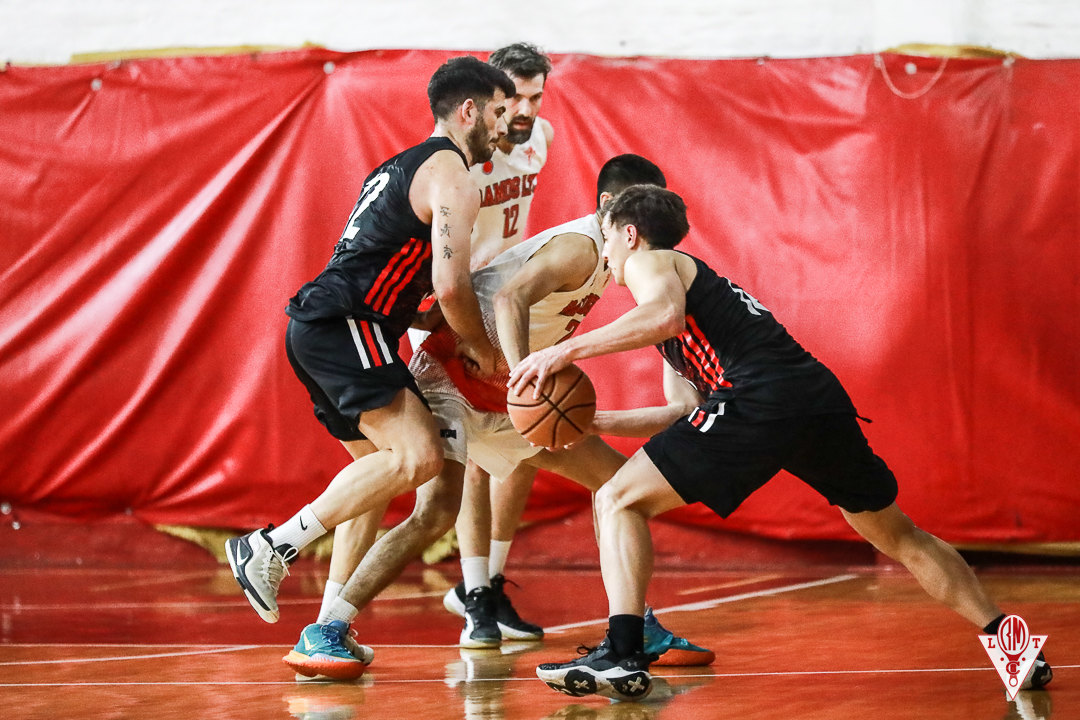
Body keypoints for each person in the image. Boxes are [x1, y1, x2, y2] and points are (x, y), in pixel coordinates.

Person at [510, 185, 1053, 701]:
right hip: (813, 398)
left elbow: (662, 317)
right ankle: (1015, 648)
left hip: (759, 398)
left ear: (629, 235)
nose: (604, 255)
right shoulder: (685, 310)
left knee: (616, 498)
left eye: (605, 239)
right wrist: (595, 420)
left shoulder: (656, 263)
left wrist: (562, 353)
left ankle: (623, 654)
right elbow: (682, 412)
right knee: (899, 534)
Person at [282, 156, 710, 679]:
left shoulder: (620, 259)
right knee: (435, 509)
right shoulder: (582, 247)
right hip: (458, 369)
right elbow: (509, 298)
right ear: (611, 213)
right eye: (640, 221)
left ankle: (635, 623)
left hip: (509, 389)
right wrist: (523, 370)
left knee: (619, 485)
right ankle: (328, 627)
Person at [223, 56, 514, 650]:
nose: (503, 127)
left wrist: (427, 316)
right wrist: (482, 349)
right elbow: (453, 284)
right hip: (347, 323)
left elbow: (396, 274)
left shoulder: (397, 166)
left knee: (373, 478)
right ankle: (268, 547)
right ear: (468, 110)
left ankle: (326, 628)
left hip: (326, 324)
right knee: (418, 459)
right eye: (498, 112)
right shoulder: (453, 173)